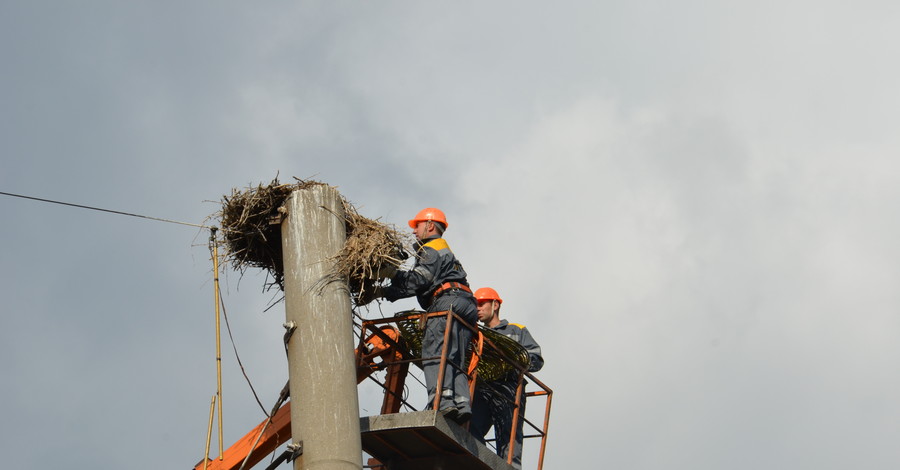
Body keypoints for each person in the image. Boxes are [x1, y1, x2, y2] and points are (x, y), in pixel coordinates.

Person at [360, 208, 478, 424]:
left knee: (433, 352)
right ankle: (461, 404)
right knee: (454, 357)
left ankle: (441, 403)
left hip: (446, 301)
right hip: (466, 303)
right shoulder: (444, 251)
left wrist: (385, 285)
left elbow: (418, 281)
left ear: (430, 226)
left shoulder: (431, 249)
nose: (413, 231)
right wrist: (393, 279)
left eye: (417, 226)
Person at [470, 287, 543, 469]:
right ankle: (480, 462)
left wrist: (512, 361)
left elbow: (536, 359)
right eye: (475, 305)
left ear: (495, 305)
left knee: (509, 437)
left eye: (481, 304)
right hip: (484, 388)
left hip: (510, 390)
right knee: (470, 424)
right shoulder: (476, 334)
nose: (477, 308)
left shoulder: (516, 331)